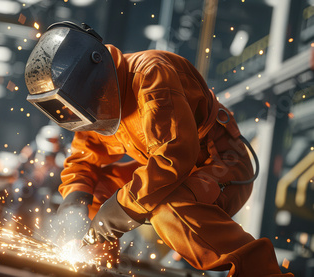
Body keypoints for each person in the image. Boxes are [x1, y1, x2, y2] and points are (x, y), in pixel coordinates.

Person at [24, 21, 294, 276]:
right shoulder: (94, 105)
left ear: (96, 75)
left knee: (169, 208)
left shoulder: (150, 75)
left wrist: (113, 217)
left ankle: (263, 272)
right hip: (169, 169)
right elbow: (84, 160)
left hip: (220, 164)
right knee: (93, 192)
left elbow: (173, 158)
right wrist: (74, 204)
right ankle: (96, 264)